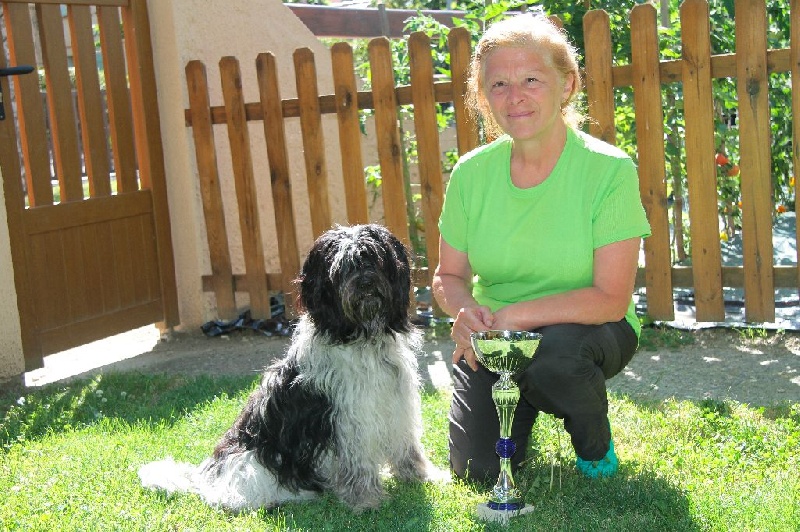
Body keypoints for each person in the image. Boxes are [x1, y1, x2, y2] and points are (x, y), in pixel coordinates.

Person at [432, 12, 651, 482]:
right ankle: (523, 401)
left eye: (531, 79)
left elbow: (610, 298)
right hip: (494, 335)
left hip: (588, 329)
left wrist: (514, 319)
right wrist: (468, 312)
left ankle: (593, 445)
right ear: (483, 97)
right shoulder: (470, 174)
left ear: (566, 85)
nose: (515, 97)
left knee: (554, 359)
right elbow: (447, 276)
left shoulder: (609, 171)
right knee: (476, 471)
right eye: (499, 85)